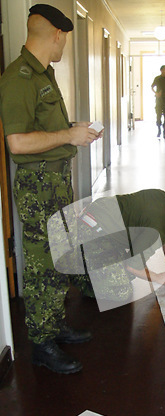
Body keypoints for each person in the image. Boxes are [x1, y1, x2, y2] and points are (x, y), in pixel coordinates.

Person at [0, 4, 102, 374]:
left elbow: (44, 129)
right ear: (57, 35)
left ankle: (54, 324)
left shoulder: (44, 74)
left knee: (60, 255)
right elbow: (17, 143)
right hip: (38, 184)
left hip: (57, 180)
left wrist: (74, 128)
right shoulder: (18, 78)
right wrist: (67, 135)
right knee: (43, 262)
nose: (63, 46)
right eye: (64, 39)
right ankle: (41, 344)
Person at [54, 189, 165, 308]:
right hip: (93, 232)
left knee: (126, 275)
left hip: (100, 221)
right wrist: (157, 277)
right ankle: (78, 275)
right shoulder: (156, 231)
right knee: (121, 291)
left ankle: (88, 265)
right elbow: (132, 266)